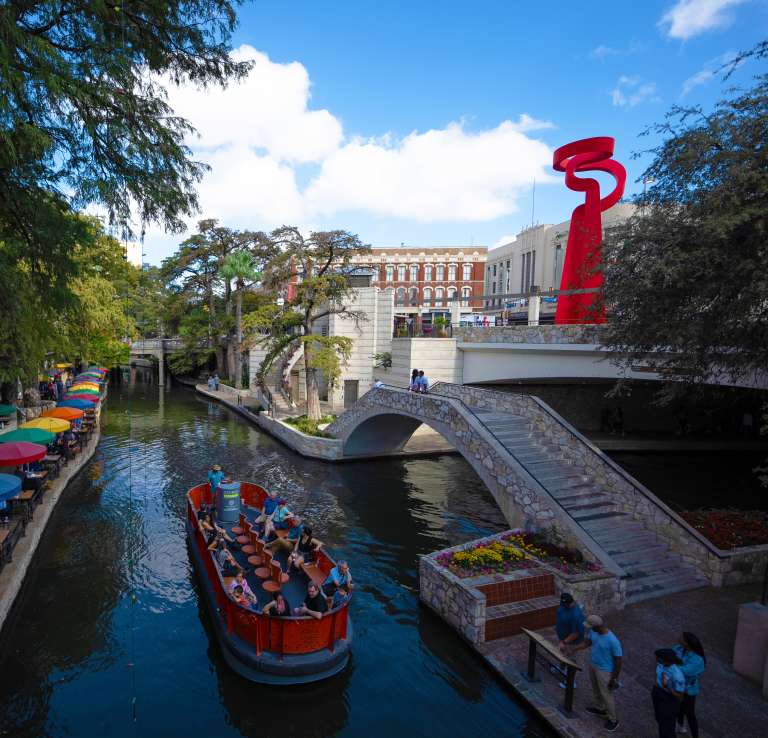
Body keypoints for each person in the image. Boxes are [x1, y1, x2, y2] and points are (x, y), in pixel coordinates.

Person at [574, 614, 621, 732]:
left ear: (597, 626)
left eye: (590, 626)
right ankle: (600, 708)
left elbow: (618, 660)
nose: (589, 628)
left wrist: (614, 678)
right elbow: (587, 643)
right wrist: (574, 648)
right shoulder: (594, 632)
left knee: (607, 695)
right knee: (596, 690)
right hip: (593, 665)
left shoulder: (612, 640)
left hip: (605, 671)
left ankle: (613, 720)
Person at [673, 632, 705, 737]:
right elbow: (670, 654)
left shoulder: (698, 660)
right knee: (679, 707)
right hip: (678, 686)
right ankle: (681, 726)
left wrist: (671, 666)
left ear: (687, 644)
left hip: (688, 690)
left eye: (682, 638)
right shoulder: (679, 648)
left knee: (690, 714)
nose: (679, 638)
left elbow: (685, 671)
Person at [652, 648, 685, 738]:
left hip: (669, 700)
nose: (655, 659)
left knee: (667, 729)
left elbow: (680, 697)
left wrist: (667, 687)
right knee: (660, 721)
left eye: (657, 658)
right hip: (658, 692)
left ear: (663, 660)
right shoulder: (661, 664)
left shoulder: (677, 676)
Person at [554, 592, 585, 687]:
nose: (564, 605)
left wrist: (564, 642)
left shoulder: (576, 615)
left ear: (570, 602)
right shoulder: (563, 607)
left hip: (572, 642)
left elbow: (576, 633)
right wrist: (560, 639)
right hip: (563, 638)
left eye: (566, 604)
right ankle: (561, 668)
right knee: (563, 655)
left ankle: (570, 682)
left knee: (571, 661)